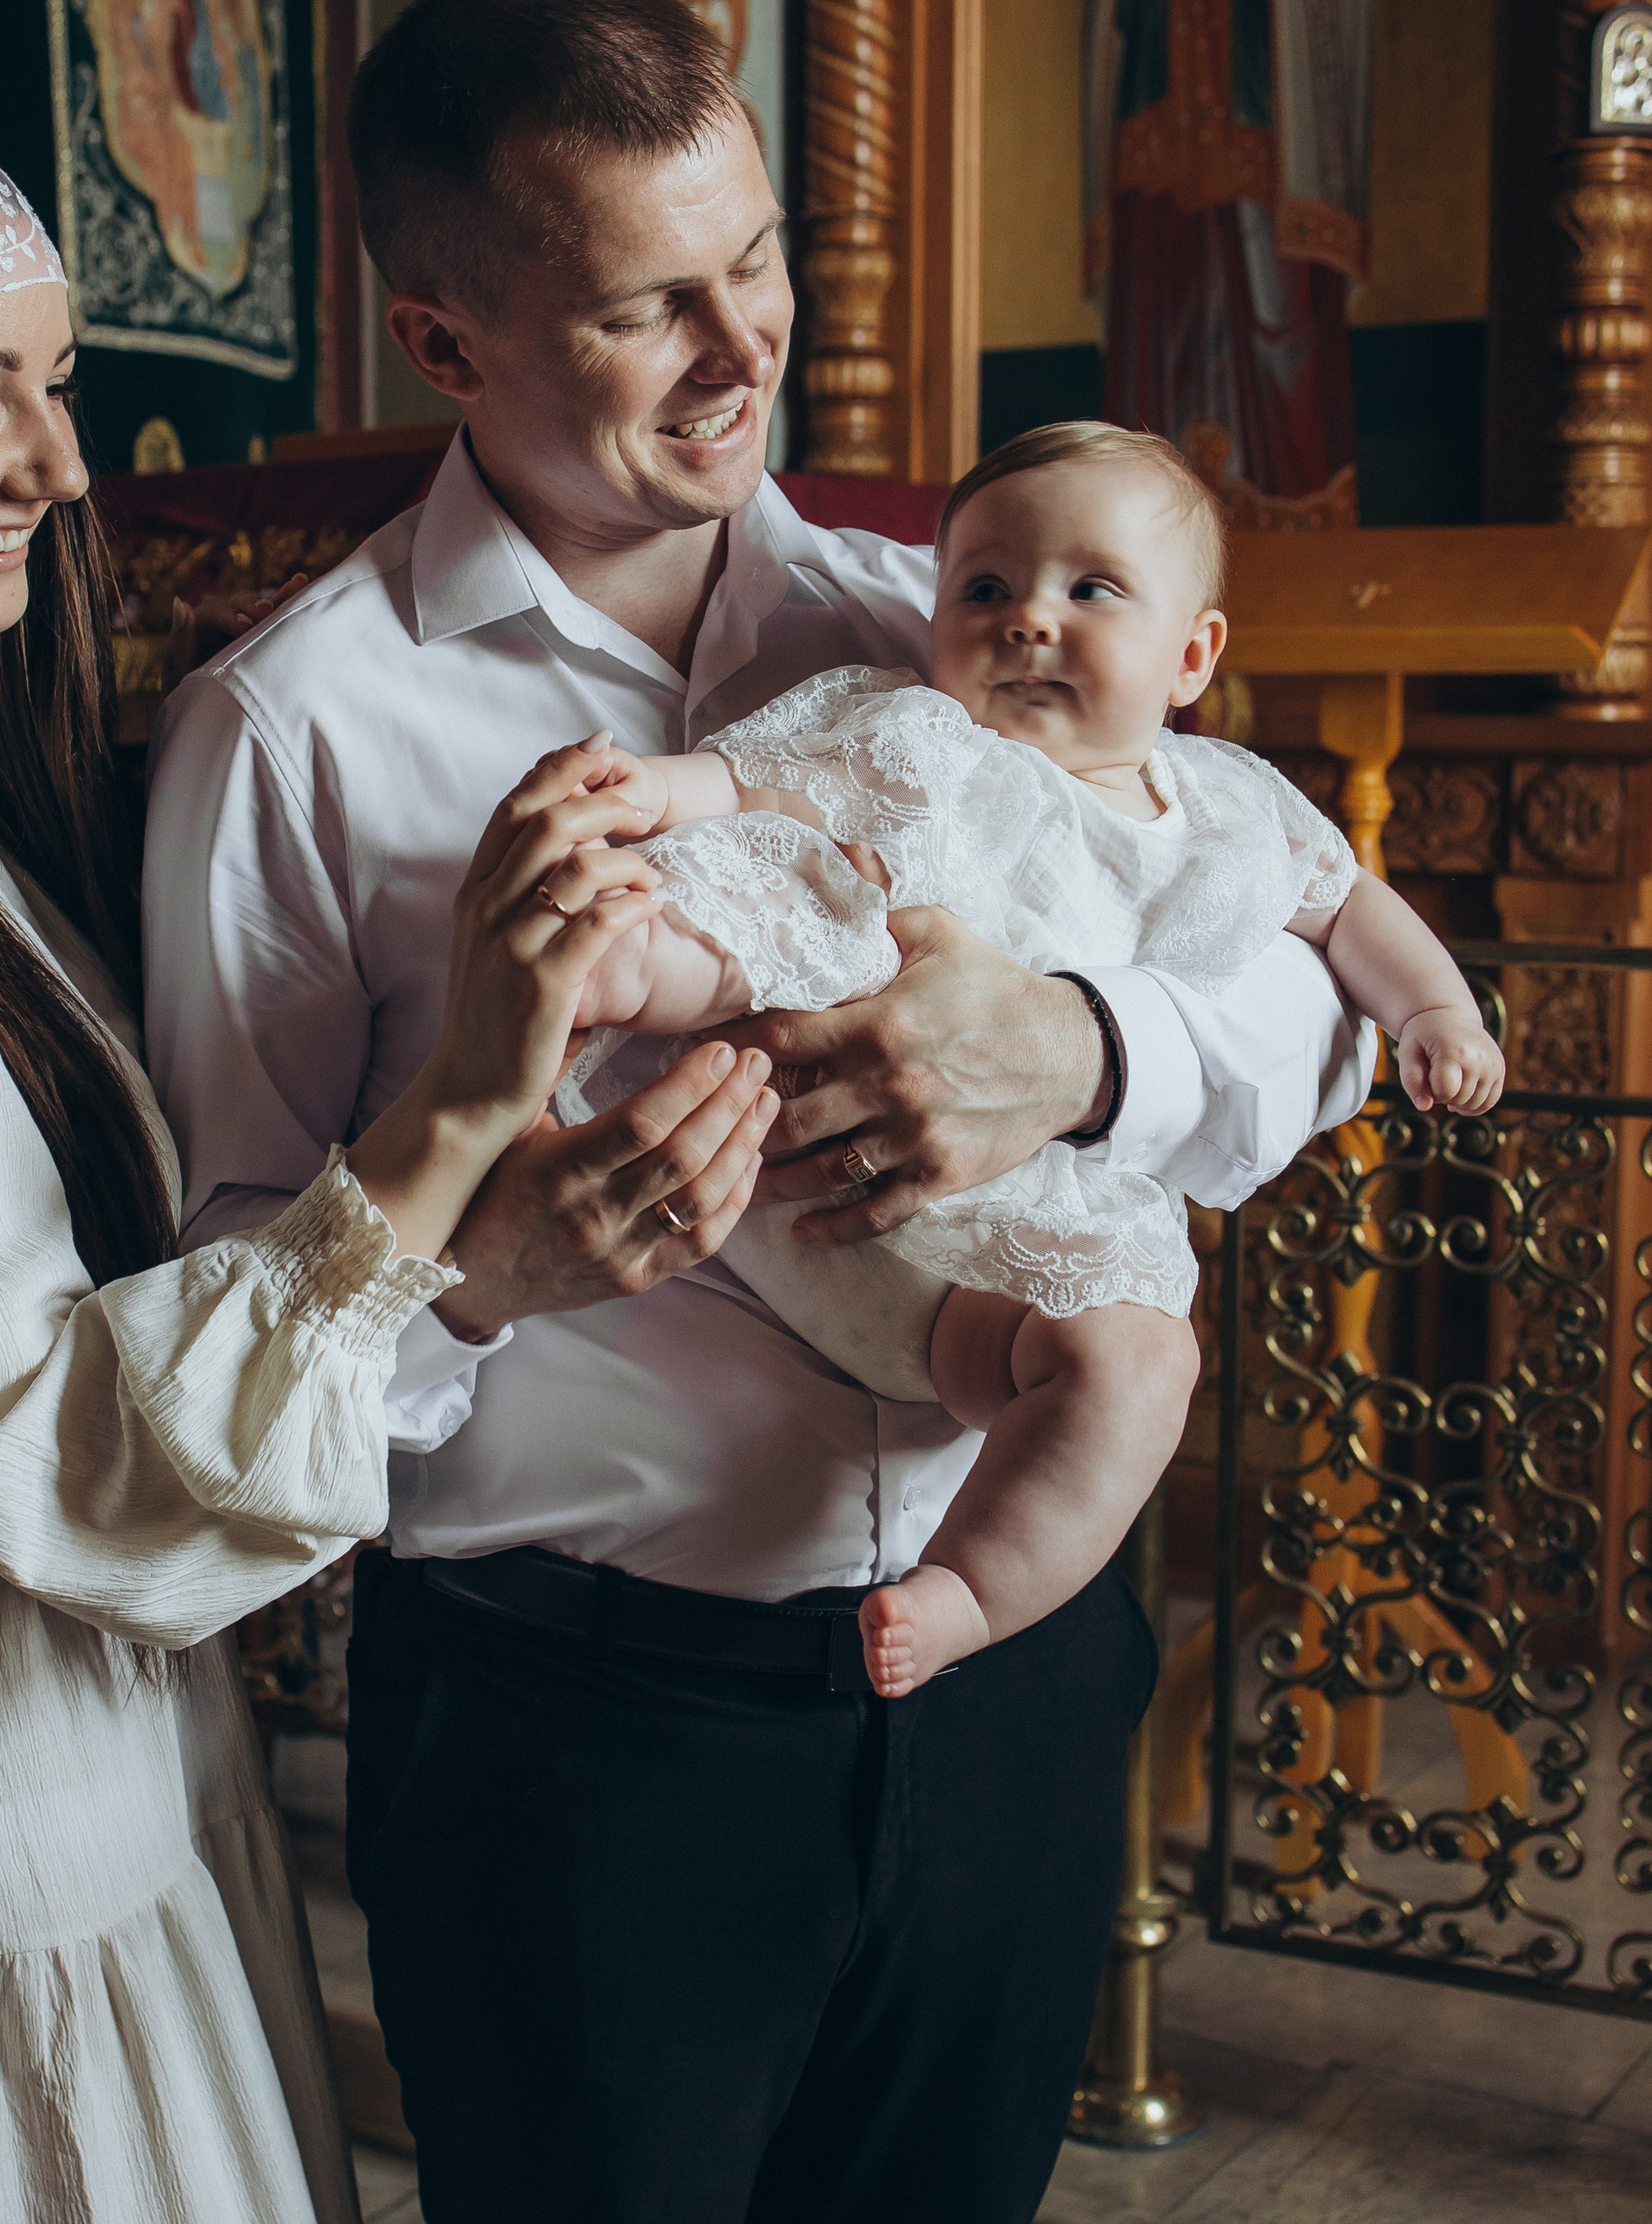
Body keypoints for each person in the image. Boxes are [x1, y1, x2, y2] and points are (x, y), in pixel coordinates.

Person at [144, 5, 1376, 2219]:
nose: (745, 352)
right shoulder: (295, 737)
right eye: (646, 307)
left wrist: (1092, 1050)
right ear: (446, 337)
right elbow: (222, 1337)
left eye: (761, 261)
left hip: (1008, 1682)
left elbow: (1312, 1003)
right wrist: (483, 1273)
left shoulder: (950, 618)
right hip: (588, 1736)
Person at [0, 102, 687, 2224]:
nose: (60, 469)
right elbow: (36, 1430)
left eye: (55, 389)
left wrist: (467, 1246)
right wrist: (448, 1122)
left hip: (102, 1753)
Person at [554, 420, 1503, 1698]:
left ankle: (966, 1595)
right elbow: (754, 779)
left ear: (1194, 654)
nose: (1028, 620)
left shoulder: (1231, 806)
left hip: (1007, 1285)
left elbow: (1346, 909)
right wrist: (654, 797)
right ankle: (617, 974)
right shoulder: (929, 744)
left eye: (1091, 588)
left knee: (1142, 1363)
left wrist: (1438, 1011)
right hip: (804, 1194)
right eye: (985, 589)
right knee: (802, 890)